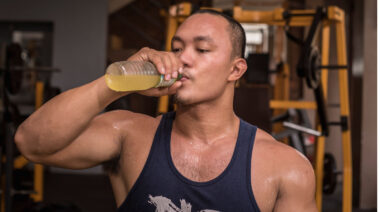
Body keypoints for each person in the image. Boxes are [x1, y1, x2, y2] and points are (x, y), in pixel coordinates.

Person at [15, 9, 317, 212]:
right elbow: (30, 143)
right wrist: (118, 83)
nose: (182, 57)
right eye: (176, 47)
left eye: (201, 49)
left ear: (235, 70)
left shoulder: (286, 168)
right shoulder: (131, 135)